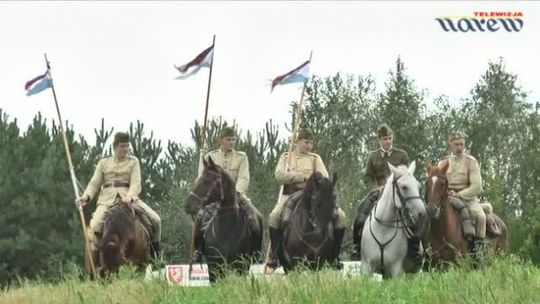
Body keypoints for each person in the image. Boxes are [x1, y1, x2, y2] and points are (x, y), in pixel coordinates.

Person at [266, 130, 347, 269]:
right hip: (291, 195)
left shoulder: (315, 158)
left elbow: (324, 176)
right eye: (306, 142)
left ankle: (335, 255)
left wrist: (311, 181)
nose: (309, 146)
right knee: (274, 217)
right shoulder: (286, 157)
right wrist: (300, 177)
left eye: (311, 143)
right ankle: (276, 256)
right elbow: (279, 175)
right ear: (298, 141)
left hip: (313, 195)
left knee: (341, 217)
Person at [77, 132, 162, 262]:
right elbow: (94, 183)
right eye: (123, 146)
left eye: (128, 146)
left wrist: (130, 197)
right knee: (93, 227)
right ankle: (93, 265)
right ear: (115, 147)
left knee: (156, 220)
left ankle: (156, 257)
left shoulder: (134, 162)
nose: (126, 149)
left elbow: (136, 184)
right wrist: (86, 197)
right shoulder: (104, 162)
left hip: (129, 198)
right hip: (107, 200)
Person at [192, 126, 262, 262]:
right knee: (200, 218)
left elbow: (244, 177)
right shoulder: (210, 157)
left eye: (233, 139)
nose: (231, 142)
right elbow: (204, 179)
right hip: (215, 199)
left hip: (237, 196)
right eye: (228, 139)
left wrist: (236, 192)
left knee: (257, 217)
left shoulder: (241, 157)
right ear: (221, 141)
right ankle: (198, 250)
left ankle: (256, 251)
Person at [352, 123, 416, 261]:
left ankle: (414, 250)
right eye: (385, 139)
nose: (388, 141)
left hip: (398, 193)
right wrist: (376, 188)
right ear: (379, 140)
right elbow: (367, 178)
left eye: (389, 138)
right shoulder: (372, 156)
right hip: (378, 192)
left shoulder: (402, 155)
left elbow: (407, 176)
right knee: (361, 214)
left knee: (412, 218)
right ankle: (357, 247)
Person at [438, 131, 486, 257]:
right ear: (450, 145)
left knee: (481, 217)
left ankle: (478, 251)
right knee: (429, 217)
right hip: (447, 198)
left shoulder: (471, 162)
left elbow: (477, 186)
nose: (459, 147)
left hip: (468, 199)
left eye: (461, 144)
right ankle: (425, 251)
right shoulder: (442, 163)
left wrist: (459, 195)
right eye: (456, 144)